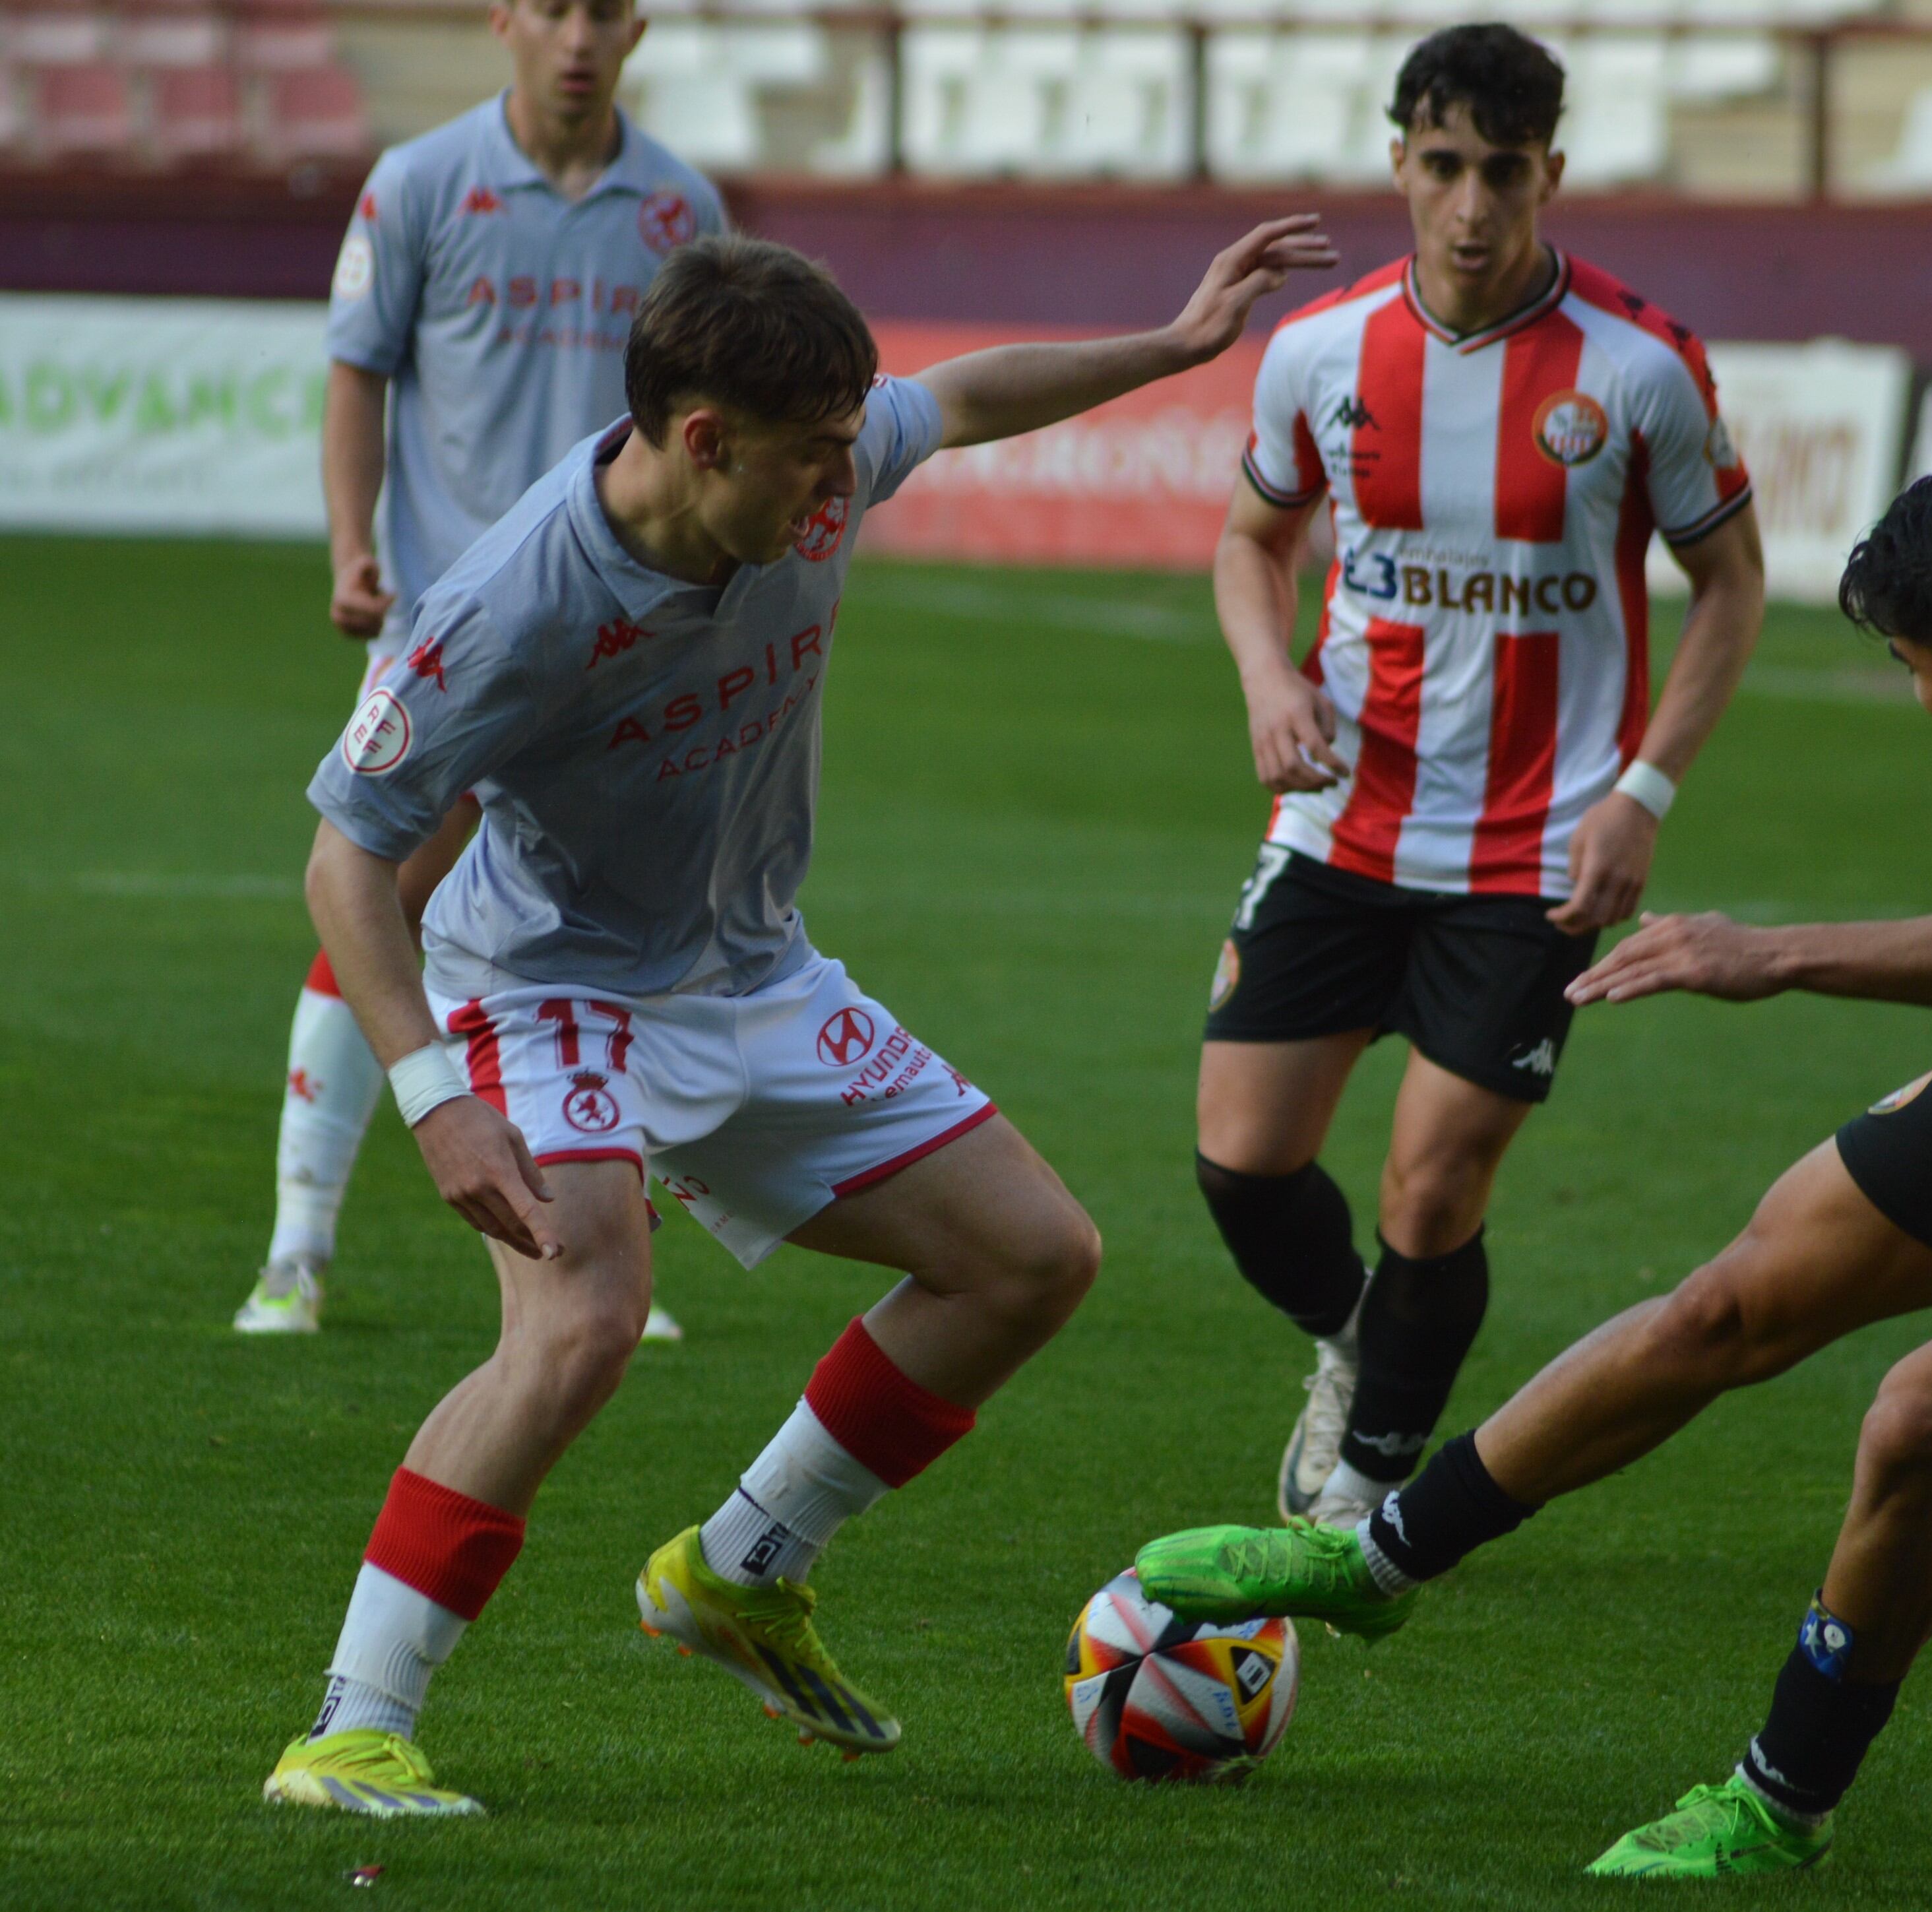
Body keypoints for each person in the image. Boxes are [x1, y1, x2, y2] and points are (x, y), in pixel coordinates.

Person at [1138, 459, 1932, 1876]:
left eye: (1914, 670)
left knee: (1921, 1420)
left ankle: (1778, 1802)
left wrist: (1771, 954)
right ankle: (1378, 1559)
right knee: (1728, 1303)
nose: (1916, 695)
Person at [261, 216, 1339, 1818]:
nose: (845, 493)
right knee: (581, 1323)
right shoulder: (509, 608)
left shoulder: (806, 468)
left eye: (849, 450)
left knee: (1031, 1258)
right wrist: (431, 1093)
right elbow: (345, 870)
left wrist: (1179, 348)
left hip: (753, 973)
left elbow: (961, 399)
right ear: (702, 442)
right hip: (549, 985)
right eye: (816, 463)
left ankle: (739, 1570)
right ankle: (350, 1727)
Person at [1196, 23, 1765, 1531]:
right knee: (1244, 1166)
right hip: (1340, 816)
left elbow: (1729, 585)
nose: (1467, 206)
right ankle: (1352, 1344)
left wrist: (1641, 788)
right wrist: (1267, 678)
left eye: (1500, 173)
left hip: (1533, 850)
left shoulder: (1640, 369)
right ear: (1397, 161)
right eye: (1440, 167)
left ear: (1549, 175)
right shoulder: (1321, 352)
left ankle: (1369, 1491)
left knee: (1427, 1195)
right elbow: (1251, 541)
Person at [237, 0, 721, 1341]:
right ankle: (297, 1248)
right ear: (503, 19)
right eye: (552, 7)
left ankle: (600, 1246)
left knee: (614, 933)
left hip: (623, 645)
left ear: (637, 28)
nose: (577, 35)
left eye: (603, 11)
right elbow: (359, 369)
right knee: (376, 896)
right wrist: (351, 543)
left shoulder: (684, 210)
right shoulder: (419, 184)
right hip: (453, 629)